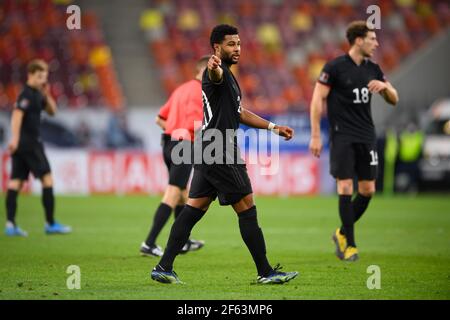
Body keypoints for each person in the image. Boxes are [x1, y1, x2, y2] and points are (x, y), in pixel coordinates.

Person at [151, 24, 298, 284]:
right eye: (231, 44)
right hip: (220, 149)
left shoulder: (230, 77)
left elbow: (240, 113)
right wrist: (215, 66)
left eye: (239, 43)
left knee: (193, 209)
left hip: (209, 147)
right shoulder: (216, 73)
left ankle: (163, 266)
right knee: (247, 208)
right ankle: (265, 272)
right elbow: (214, 73)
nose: (238, 48)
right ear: (217, 48)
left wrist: (273, 127)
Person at [309, 21, 399, 261]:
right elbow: (318, 99)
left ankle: (340, 232)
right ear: (358, 40)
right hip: (342, 135)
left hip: (366, 135)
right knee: (346, 186)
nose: (376, 43)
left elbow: (394, 99)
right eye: (372, 39)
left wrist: (385, 88)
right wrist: (316, 134)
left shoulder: (373, 69)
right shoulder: (335, 67)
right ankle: (350, 244)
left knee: (368, 190)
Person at [140, 56, 209, 257]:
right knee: (173, 193)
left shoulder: (181, 89)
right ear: (205, 70)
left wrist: (174, 129)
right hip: (184, 145)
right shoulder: (202, 93)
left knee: (182, 193)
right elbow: (198, 127)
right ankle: (150, 242)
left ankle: (184, 241)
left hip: (169, 143)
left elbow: (159, 119)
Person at [5, 59, 72, 236]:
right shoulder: (26, 94)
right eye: (40, 76)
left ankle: (10, 225)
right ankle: (50, 223)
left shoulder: (37, 93)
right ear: (31, 75)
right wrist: (15, 139)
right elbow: (17, 116)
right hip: (30, 143)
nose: (43, 80)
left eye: (45, 77)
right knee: (47, 179)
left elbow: (52, 112)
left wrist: (46, 93)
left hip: (23, 144)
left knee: (16, 182)